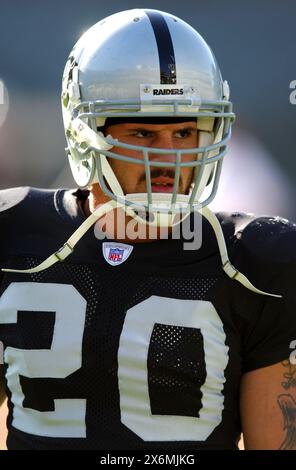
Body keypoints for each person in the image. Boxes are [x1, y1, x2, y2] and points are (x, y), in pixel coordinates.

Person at [0, 8, 296, 451]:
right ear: (86, 133)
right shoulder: (12, 232)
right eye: (142, 132)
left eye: (183, 133)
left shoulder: (257, 261)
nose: (168, 156)